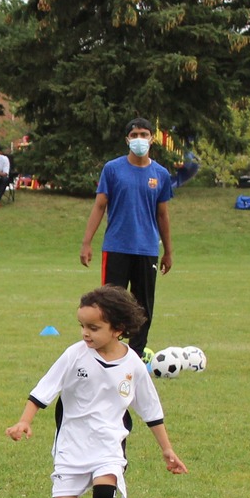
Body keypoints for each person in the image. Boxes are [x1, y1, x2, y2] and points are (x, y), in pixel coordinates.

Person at [5, 285, 187, 498]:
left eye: (93, 327)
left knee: (106, 493)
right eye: (82, 326)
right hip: (72, 443)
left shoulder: (133, 366)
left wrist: (167, 450)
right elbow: (45, 388)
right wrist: (25, 421)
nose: (85, 333)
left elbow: (151, 411)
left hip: (108, 443)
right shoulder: (75, 355)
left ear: (118, 329)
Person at [79, 118, 175, 355]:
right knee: (109, 305)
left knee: (143, 307)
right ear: (127, 140)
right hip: (116, 247)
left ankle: (136, 355)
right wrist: (87, 242)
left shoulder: (160, 174)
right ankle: (107, 353)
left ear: (152, 138)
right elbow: (100, 206)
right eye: (134, 135)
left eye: (144, 134)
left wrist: (169, 252)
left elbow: (163, 215)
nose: (139, 139)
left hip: (147, 249)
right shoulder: (113, 169)